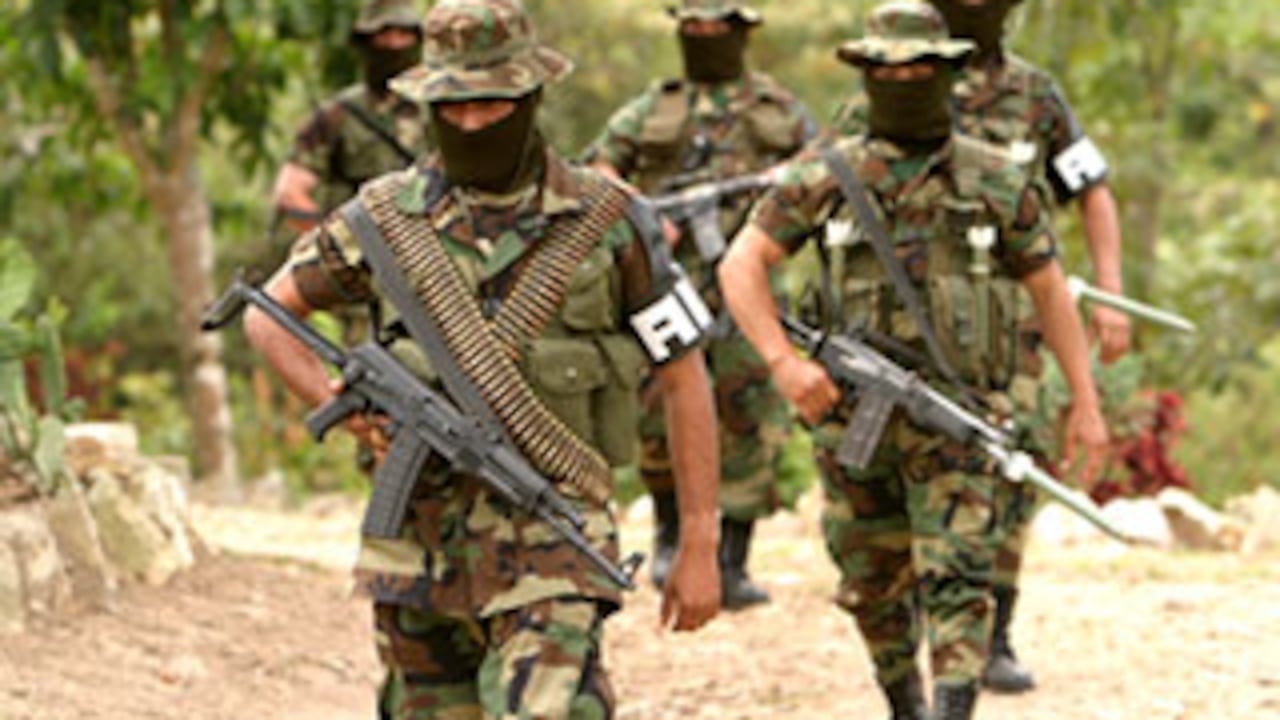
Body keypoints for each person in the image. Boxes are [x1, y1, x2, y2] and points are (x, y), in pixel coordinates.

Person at [245, 1, 722, 717]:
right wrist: (336, 407)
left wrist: (700, 541)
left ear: (532, 95)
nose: (471, 123)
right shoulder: (381, 220)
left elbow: (685, 376)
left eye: (492, 103)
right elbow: (268, 314)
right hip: (415, 546)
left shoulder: (610, 219)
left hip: (555, 539)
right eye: (452, 106)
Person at [717, 3, 1109, 718]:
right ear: (865, 75)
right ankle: (906, 705)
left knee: (961, 577)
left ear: (949, 73)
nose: (901, 84)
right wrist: (783, 363)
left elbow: (1050, 292)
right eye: (886, 73)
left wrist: (1084, 401)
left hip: (961, 417)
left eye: (919, 71)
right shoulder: (826, 173)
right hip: (851, 424)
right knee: (872, 583)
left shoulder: (995, 178)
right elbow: (741, 265)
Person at [829, 0, 1130, 692]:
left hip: (1010, 326)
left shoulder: (1036, 94)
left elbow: (1092, 188)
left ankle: (991, 631)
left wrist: (1109, 292)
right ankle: (909, 622)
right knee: (884, 475)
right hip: (897, 327)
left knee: (1007, 463)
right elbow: (822, 189)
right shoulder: (885, 87)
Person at [583, 0, 815, 609]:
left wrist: (787, 185)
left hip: (750, 289)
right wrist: (640, 219)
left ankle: (732, 559)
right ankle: (669, 541)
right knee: (660, 408)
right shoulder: (652, 109)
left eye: (716, 27)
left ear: (741, 31)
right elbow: (598, 171)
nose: (705, 37)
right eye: (694, 28)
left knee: (751, 412)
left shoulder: (778, 108)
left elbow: (824, 164)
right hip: (666, 284)